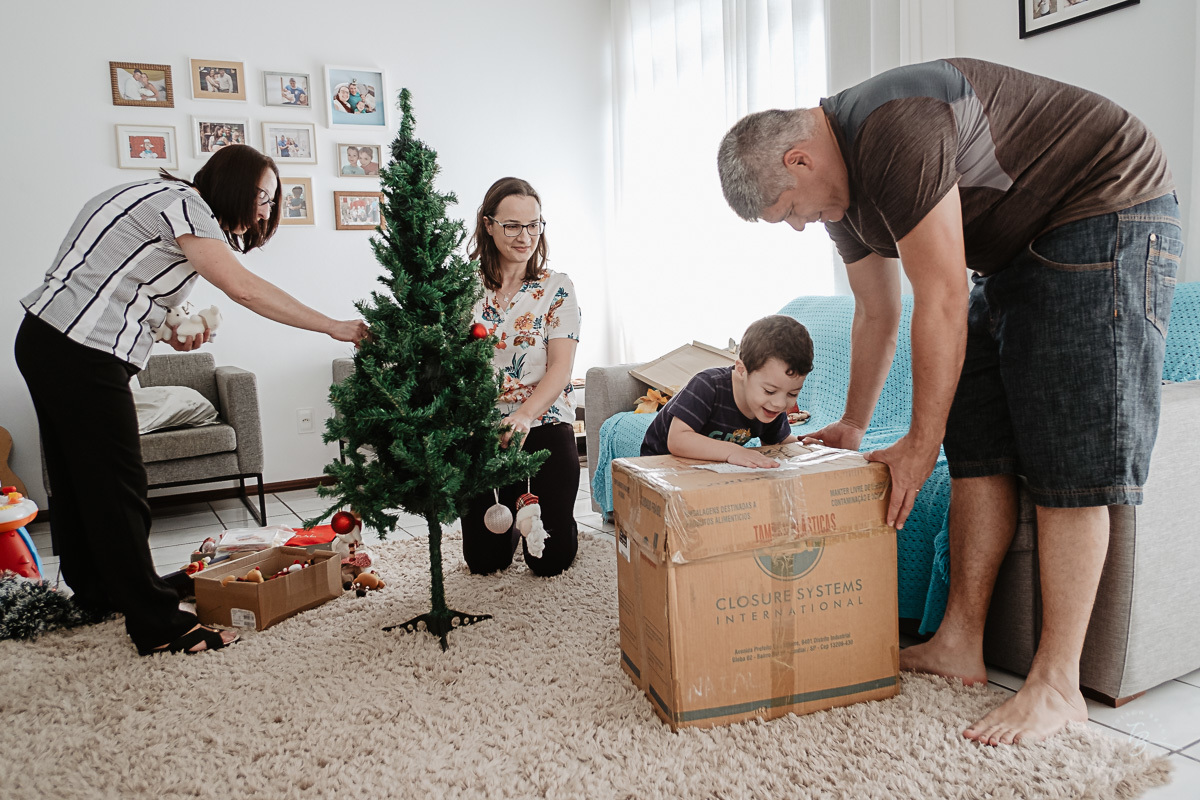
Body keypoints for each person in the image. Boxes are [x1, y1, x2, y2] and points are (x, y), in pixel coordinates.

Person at [716, 58, 1180, 745]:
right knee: (977, 440)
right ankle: (959, 642)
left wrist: (916, 442)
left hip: (1106, 209)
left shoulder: (893, 126)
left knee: (1070, 456)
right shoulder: (843, 199)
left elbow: (940, 295)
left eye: (787, 211)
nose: (797, 226)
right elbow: (878, 309)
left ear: (799, 160)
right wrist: (856, 423)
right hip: (1019, 251)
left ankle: (1056, 684)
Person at [16, 145, 368, 657]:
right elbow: (244, 289)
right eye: (261, 198)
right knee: (119, 484)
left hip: (48, 338)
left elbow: (115, 282)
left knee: (78, 481)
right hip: (80, 348)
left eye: (271, 203)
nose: (265, 212)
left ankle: (99, 593)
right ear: (231, 184)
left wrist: (165, 330)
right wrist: (334, 326)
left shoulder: (152, 195)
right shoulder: (187, 205)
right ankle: (157, 624)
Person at [462, 177, 581, 577]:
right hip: (483, 427)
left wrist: (525, 415)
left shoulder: (557, 288)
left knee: (549, 561)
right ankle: (510, 516)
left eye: (534, 225)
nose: (524, 236)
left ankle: (561, 520)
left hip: (543, 421)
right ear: (488, 224)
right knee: (484, 562)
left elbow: (560, 369)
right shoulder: (463, 290)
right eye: (512, 225)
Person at [640, 315, 811, 464]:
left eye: (792, 394)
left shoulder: (769, 405)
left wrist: (807, 447)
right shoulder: (708, 385)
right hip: (661, 462)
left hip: (710, 466)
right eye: (769, 391)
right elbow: (677, 440)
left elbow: (778, 444)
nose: (780, 403)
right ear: (742, 371)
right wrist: (733, 451)